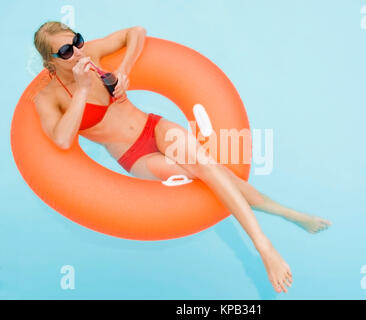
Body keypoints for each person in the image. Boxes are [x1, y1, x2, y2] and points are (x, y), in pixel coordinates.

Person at [33, 21, 332, 293]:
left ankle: (265, 247)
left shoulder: (92, 53)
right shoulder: (48, 97)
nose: (77, 51)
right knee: (207, 175)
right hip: (134, 155)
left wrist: (125, 68)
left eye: (78, 41)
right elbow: (60, 139)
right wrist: (83, 89)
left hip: (154, 126)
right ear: (51, 61)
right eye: (65, 50)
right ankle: (288, 214)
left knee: (207, 166)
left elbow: (136, 32)